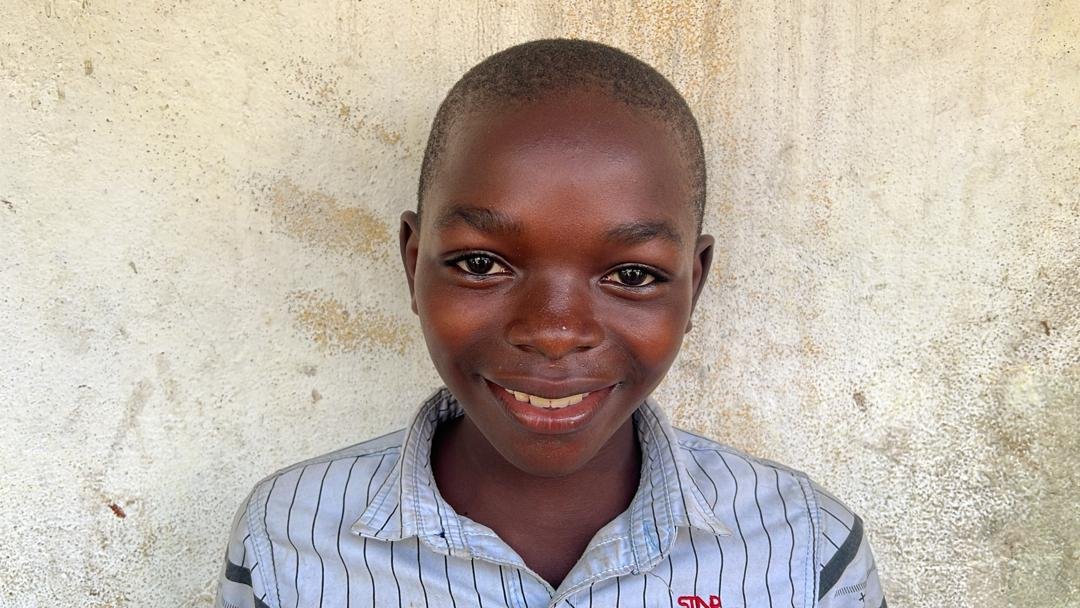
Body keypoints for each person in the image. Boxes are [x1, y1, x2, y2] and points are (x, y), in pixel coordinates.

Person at [215, 38, 886, 608]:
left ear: (695, 283)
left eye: (631, 275)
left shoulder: (805, 550)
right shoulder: (288, 539)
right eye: (482, 263)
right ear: (414, 263)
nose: (555, 331)